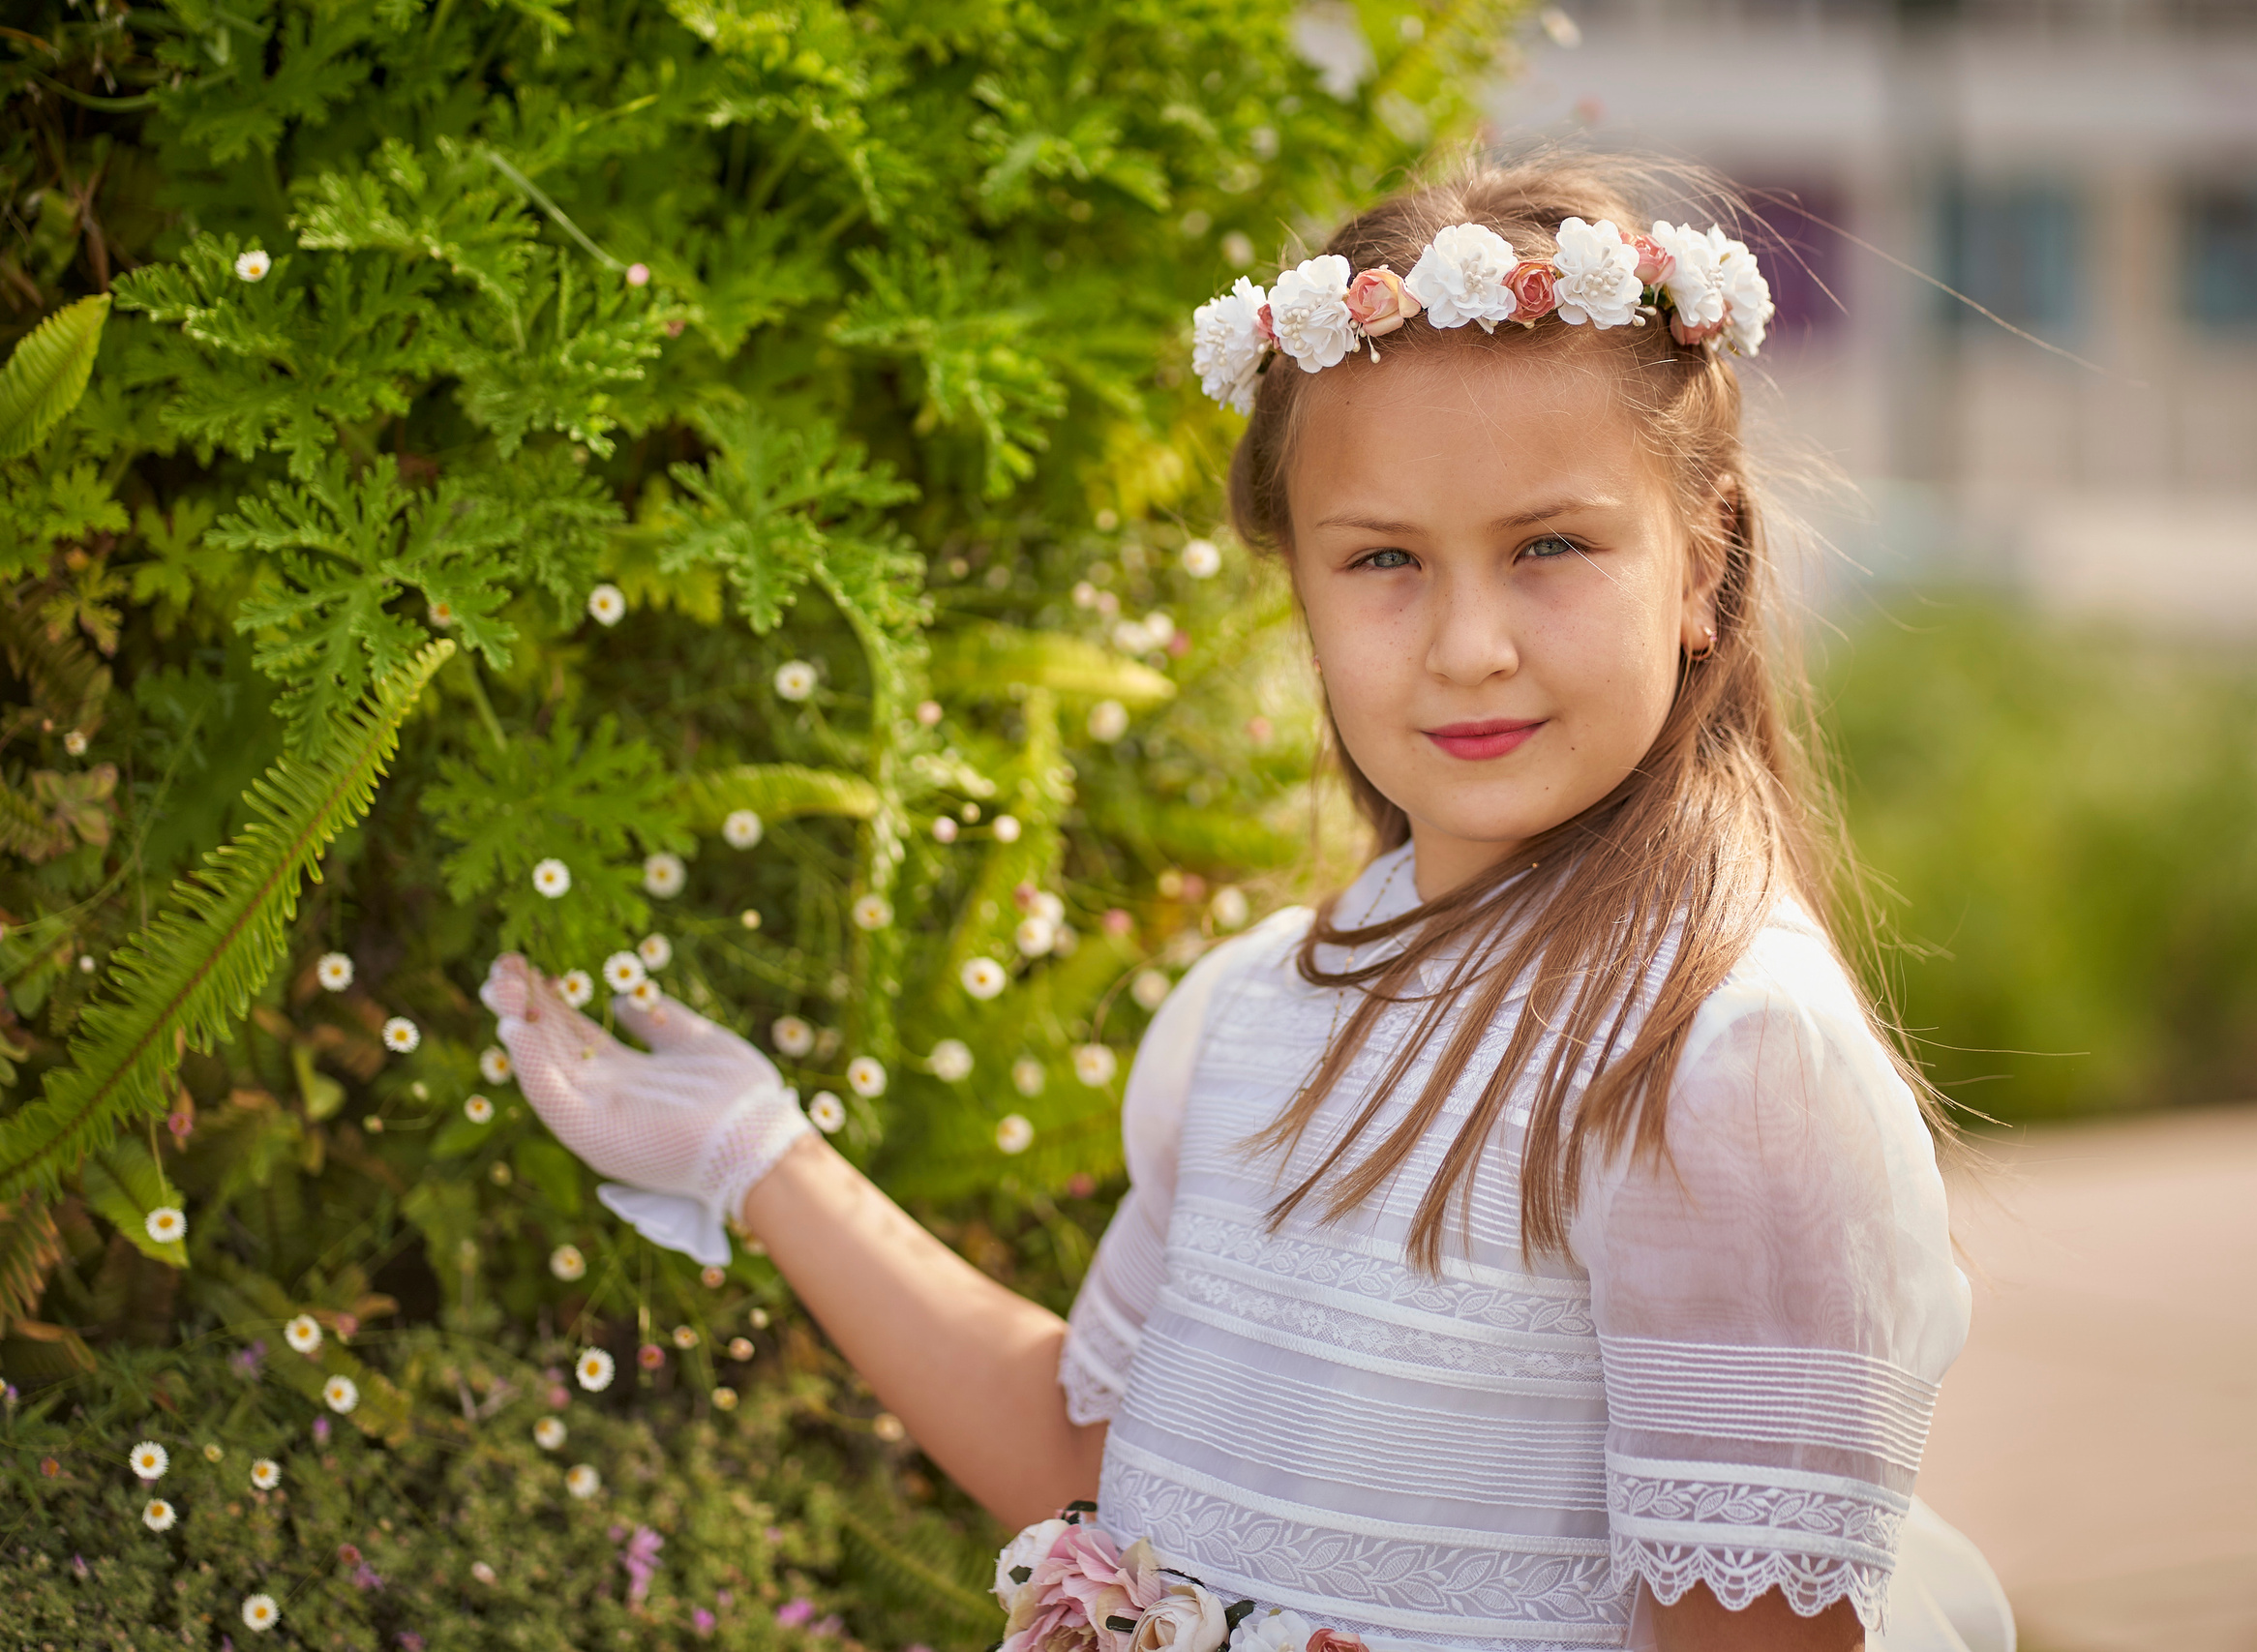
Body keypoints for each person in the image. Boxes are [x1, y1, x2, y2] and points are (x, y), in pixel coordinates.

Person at [480, 156, 2015, 1652]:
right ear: (1301, 585)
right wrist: (756, 1155)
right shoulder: (1269, 1002)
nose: (1469, 642)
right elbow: (1095, 1466)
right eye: (1385, 561)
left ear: (1704, 565)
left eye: (1550, 545)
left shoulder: (1714, 1061)